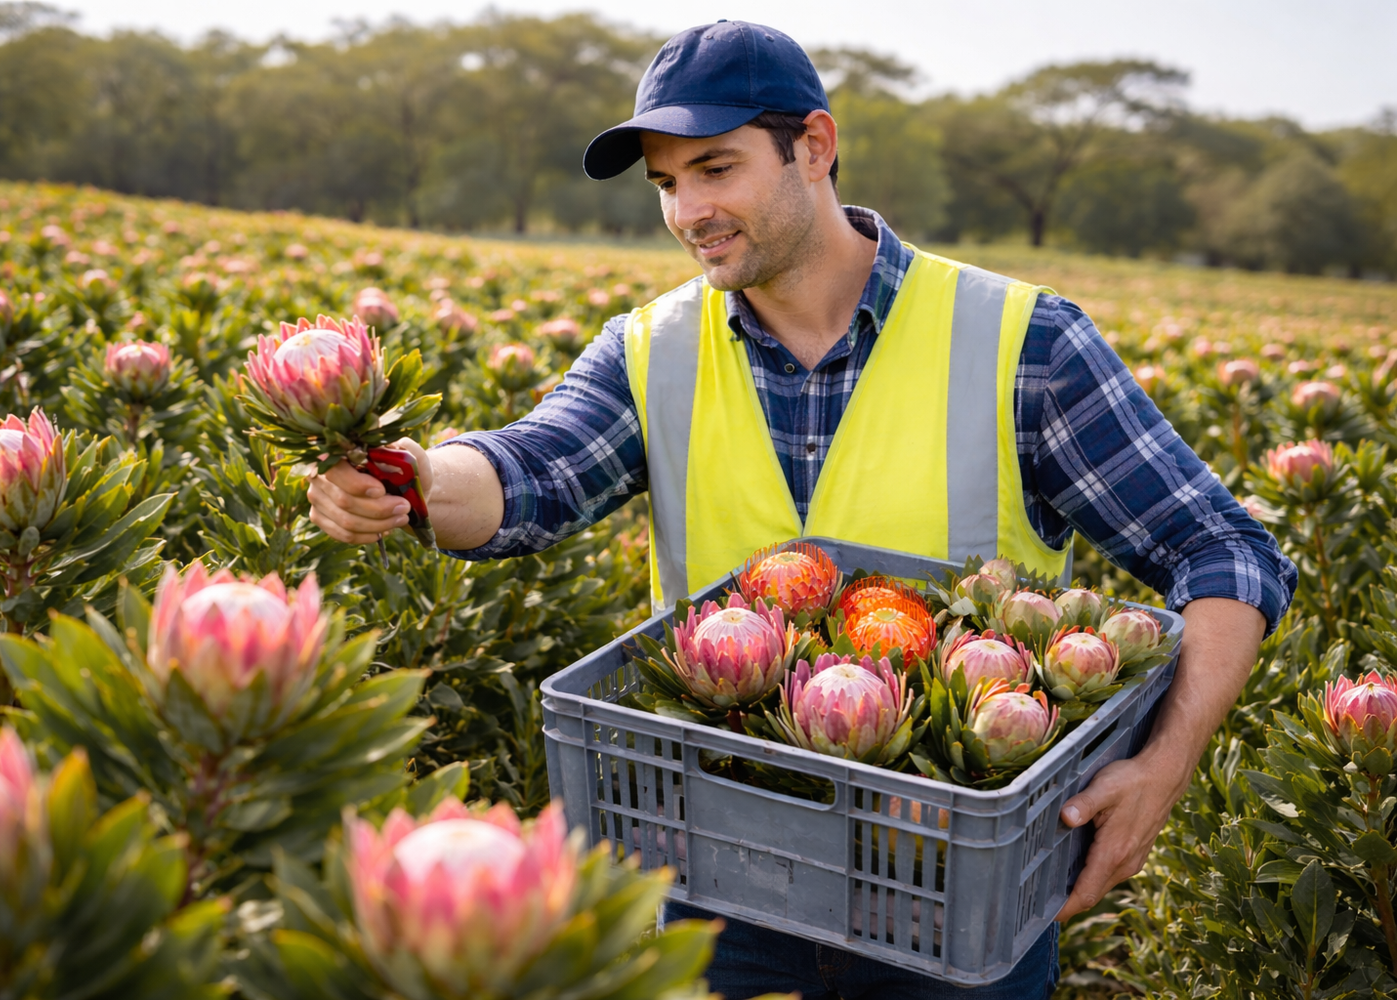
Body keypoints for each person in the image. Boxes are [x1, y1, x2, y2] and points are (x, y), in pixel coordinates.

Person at [307, 20, 1296, 1000]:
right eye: (666, 184)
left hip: (951, 899)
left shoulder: (1021, 342)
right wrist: (416, 477)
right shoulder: (650, 348)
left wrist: (1163, 766)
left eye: (716, 168)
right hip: (718, 885)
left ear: (813, 147)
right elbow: (529, 474)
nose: (689, 209)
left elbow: (1221, 548)